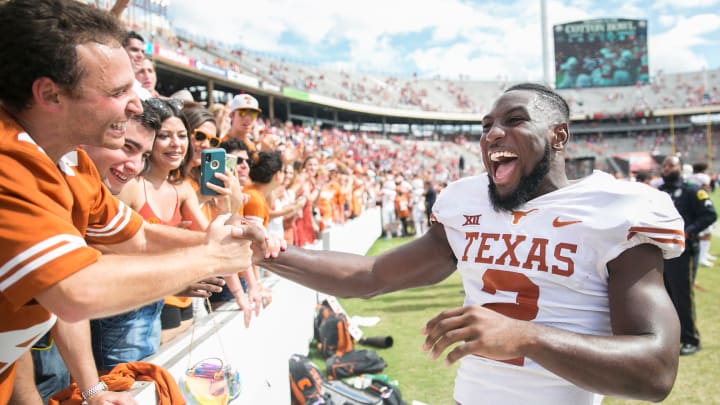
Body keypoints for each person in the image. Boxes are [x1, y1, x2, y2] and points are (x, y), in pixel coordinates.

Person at [258, 83, 686, 404]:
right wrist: (267, 252)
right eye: (486, 126)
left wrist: (526, 337)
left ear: (558, 136)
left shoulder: (619, 208)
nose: (493, 134)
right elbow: (371, 275)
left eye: (514, 121)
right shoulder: (465, 202)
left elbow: (655, 370)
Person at [0, 1, 264, 403]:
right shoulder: (7, 160)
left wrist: (217, 238)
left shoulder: (69, 161)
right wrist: (212, 258)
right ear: (50, 94)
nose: (137, 105)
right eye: (119, 91)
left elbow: (136, 237)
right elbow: (73, 291)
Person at [657, 155, 716, 356]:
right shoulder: (659, 192)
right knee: (665, 295)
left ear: (680, 168)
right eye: (664, 165)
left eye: (670, 165)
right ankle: (672, 338)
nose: (666, 169)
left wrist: (688, 231)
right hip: (661, 251)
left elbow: (709, 215)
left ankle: (690, 338)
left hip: (683, 251)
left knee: (682, 295)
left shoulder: (692, 190)